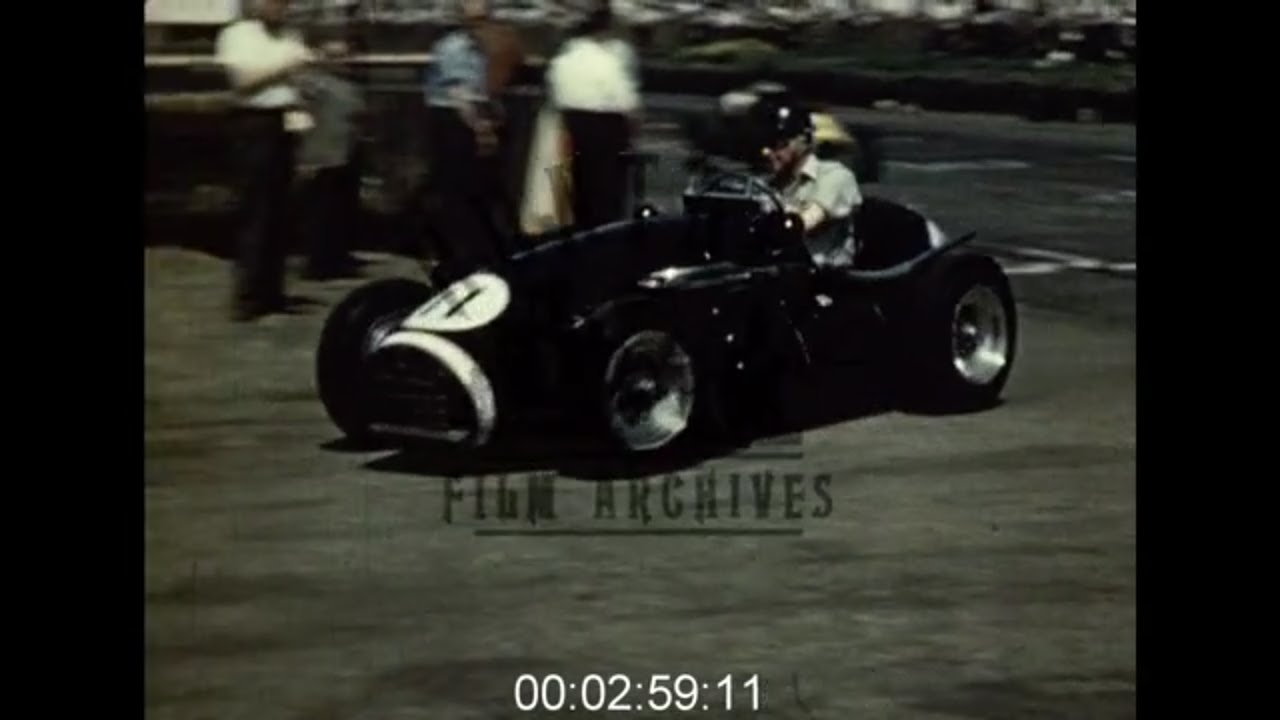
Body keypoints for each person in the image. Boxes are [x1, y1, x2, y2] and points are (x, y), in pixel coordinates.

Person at [215, 0, 316, 321]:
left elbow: (298, 80)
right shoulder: (238, 35)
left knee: (281, 210)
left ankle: (271, 291)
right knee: (255, 209)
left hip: (284, 122)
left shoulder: (291, 35)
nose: (280, 7)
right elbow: (243, 79)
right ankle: (247, 295)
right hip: (253, 123)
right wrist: (287, 63)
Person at [422, 0, 517, 276]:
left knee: (472, 189)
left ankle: (475, 250)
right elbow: (461, 95)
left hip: (467, 117)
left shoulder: (476, 48)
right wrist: (482, 129)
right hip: (453, 120)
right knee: (458, 191)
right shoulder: (454, 48)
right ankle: (464, 254)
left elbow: (482, 89)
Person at [541, 0, 642, 232]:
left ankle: (578, 234)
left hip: (572, 124)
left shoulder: (564, 57)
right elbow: (627, 102)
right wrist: (634, 135)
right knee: (606, 192)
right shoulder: (609, 59)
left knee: (578, 188)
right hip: (607, 127)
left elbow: (554, 92)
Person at [756, 98, 863, 268]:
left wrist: (776, 224)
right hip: (774, 272)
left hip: (823, 281)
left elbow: (807, 221)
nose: (768, 152)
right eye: (765, 144)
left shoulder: (835, 177)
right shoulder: (766, 184)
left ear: (804, 141)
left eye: (779, 144)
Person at [295, 41, 366, 280]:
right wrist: (303, 153)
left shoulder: (349, 85)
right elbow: (299, 112)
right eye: (335, 57)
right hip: (320, 154)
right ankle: (319, 263)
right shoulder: (313, 83)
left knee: (342, 210)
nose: (342, 61)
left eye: (345, 56)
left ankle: (339, 255)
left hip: (346, 152)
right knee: (321, 212)